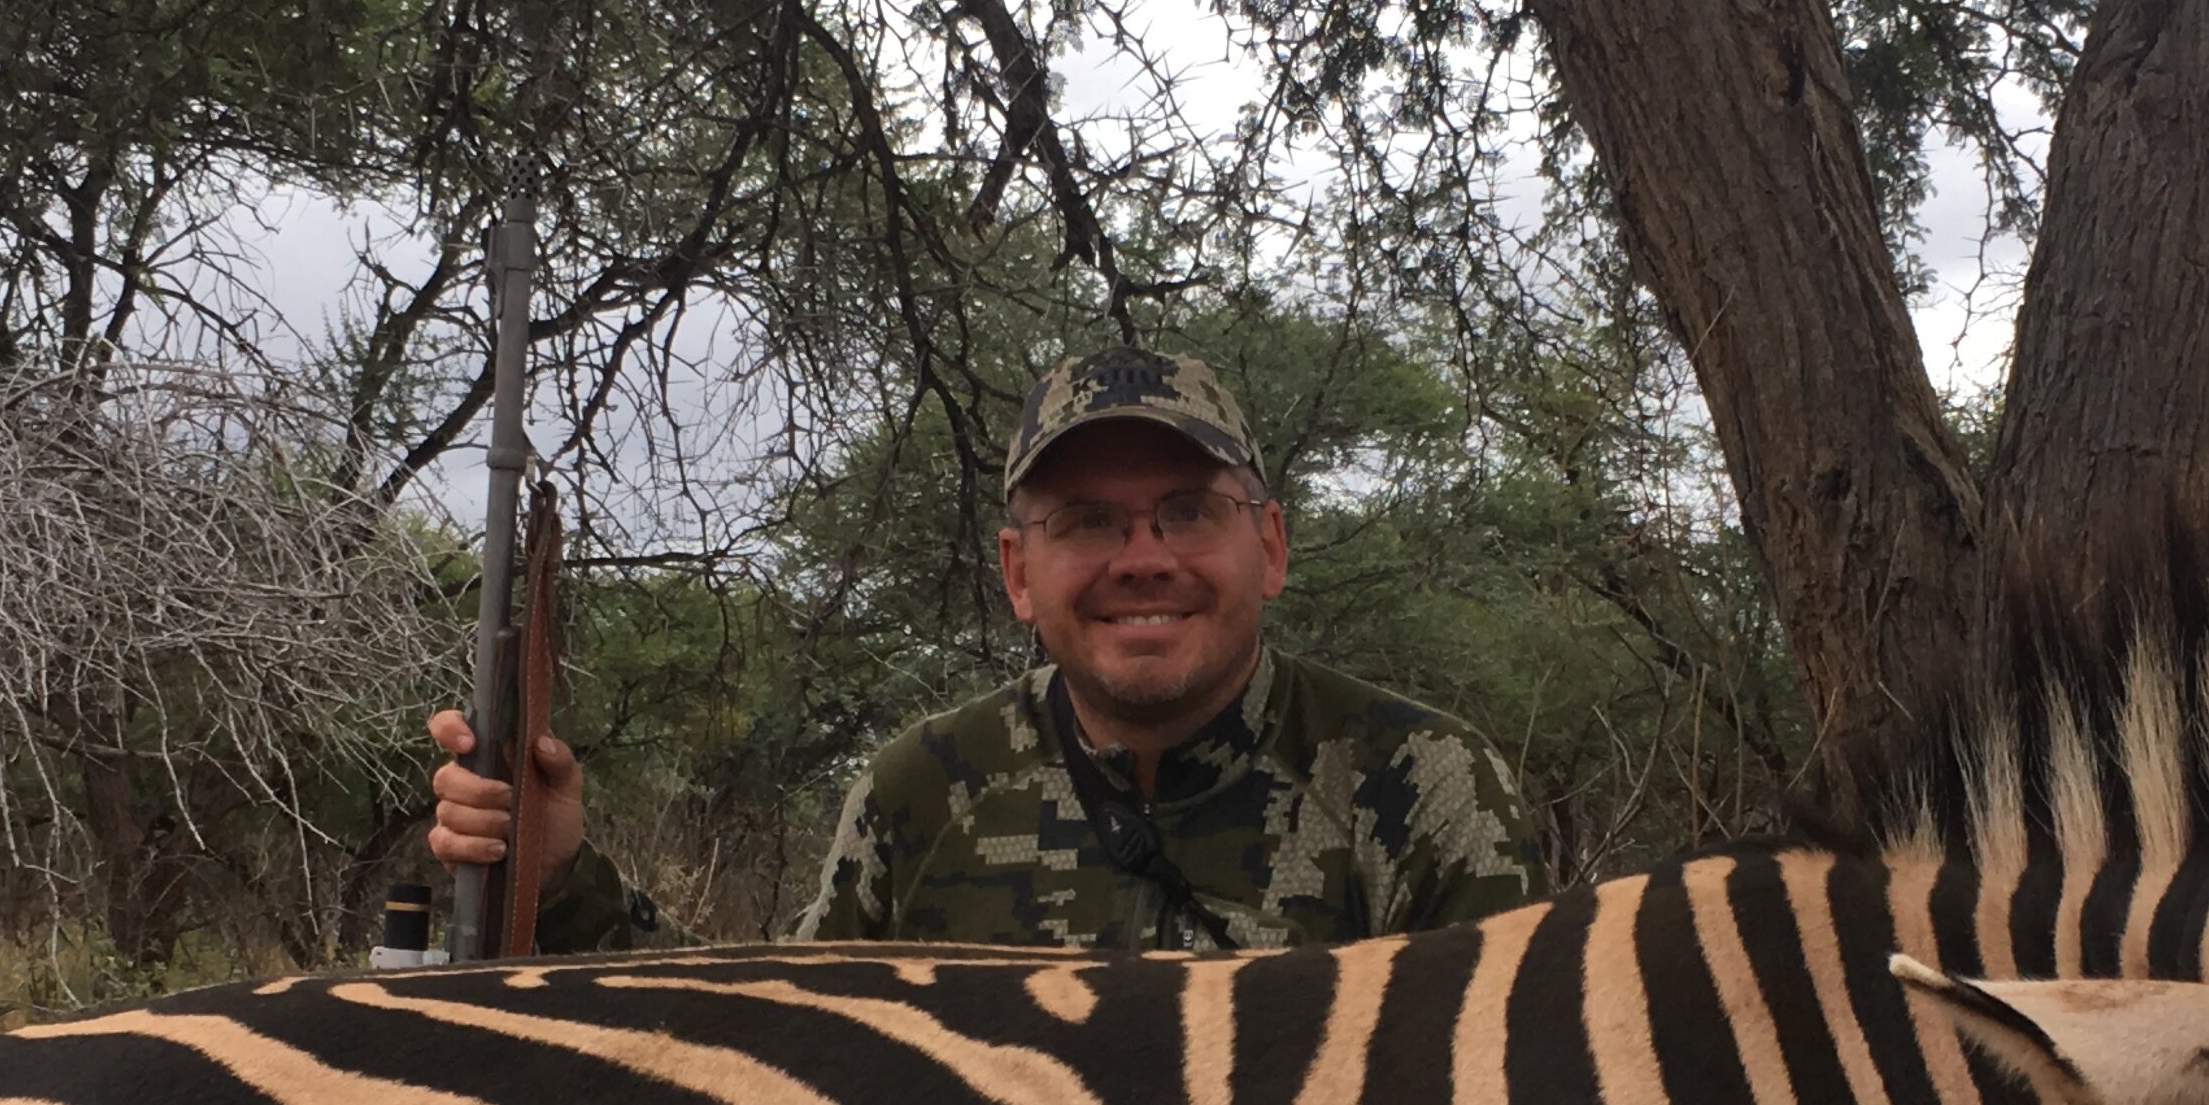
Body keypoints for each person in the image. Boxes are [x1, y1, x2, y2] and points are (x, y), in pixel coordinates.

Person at [427, 347, 1545, 952]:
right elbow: (770, 1056)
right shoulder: (920, 792)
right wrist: (559, 875)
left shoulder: (1423, 787)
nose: (1142, 557)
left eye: (1188, 512)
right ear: (1018, 573)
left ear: (1271, 546)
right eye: (1088, 521)